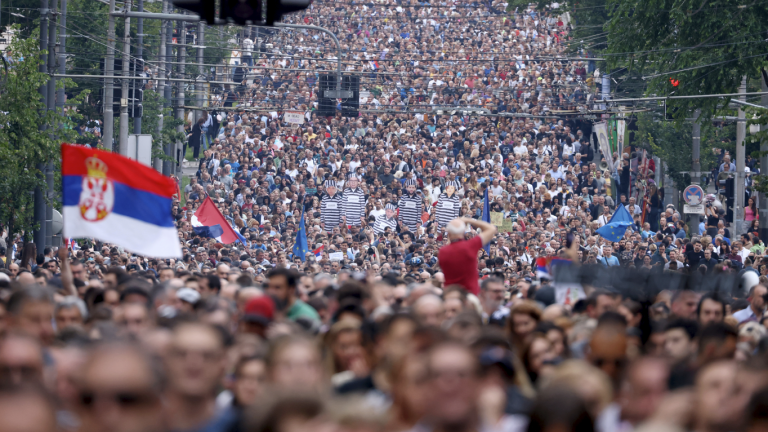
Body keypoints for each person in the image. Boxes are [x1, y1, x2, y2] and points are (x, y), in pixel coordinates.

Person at [438, 217, 497, 295]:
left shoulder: (442, 251)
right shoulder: (470, 245)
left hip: (450, 294)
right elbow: (492, 229)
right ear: (463, 232)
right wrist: (469, 220)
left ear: (448, 233)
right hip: (470, 294)